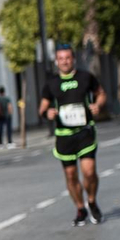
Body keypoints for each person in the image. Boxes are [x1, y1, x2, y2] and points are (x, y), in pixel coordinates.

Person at [39, 45, 106, 226]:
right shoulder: (51, 83)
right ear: (56, 61)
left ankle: (91, 201)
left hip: (85, 132)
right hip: (64, 136)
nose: (65, 61)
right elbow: (42, 108)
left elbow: (100, 94)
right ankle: (80, 208)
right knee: (70, 175)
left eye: (67, 57)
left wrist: (97, 105)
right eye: (61, 58)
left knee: (89, 172)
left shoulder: (85, 77)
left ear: (73, 58)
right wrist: (48, 114)